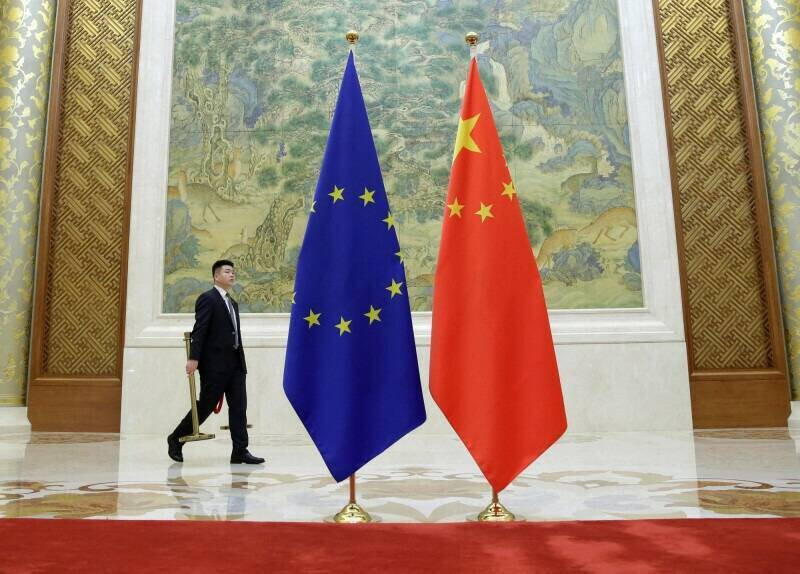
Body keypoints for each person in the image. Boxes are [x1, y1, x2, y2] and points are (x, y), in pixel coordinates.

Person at [167, 260, 264, 465]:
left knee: (239, 408)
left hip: (236, 365)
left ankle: (240, 451)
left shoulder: (233, 303)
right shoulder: (207, 299)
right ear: (216, 276)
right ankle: (176, 438)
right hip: (214, 366)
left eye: (233, 272)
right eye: (227, 271)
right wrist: (193, 358)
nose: (232, 275)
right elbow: (200, 330)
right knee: (206, 406)